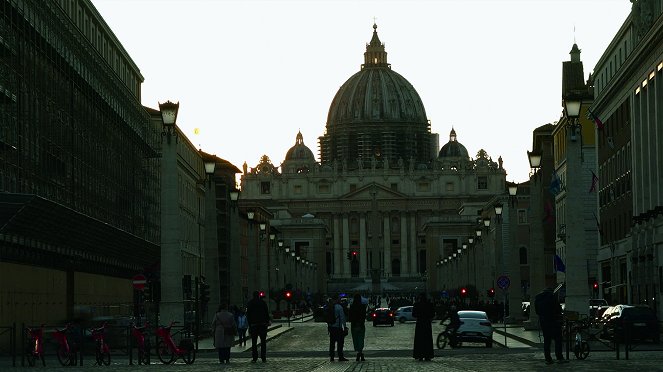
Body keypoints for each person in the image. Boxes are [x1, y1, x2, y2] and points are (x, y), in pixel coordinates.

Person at [534, 287, 567, 364]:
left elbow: (537, 311)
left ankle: (548, 359)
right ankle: (559, 357)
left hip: (544, 322)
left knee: (547, 341)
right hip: (554, 321)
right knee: (558, 339)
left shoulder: (538, 299)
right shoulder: (552, 297)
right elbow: (558, 309)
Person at [246, 291, 270, 363]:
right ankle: (263, 357)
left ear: (253, 295)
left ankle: (254, 357)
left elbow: (248, 315)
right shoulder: (263, 303)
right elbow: (266, 313)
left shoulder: (250, 303)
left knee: (254, 342)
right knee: (263, 342)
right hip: (262, 325)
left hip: (254, 325)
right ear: (259, 295)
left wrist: (249, 324)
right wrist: (266, 322)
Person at [412, 293, 434, 361]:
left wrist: (420, 315)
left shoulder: (417, 304)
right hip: (427, 324)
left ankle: (420, 355)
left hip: (420, 324)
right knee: (427, 340)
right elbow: (432, 314)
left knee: (420, 340)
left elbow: (414, 314)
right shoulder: (429, 304)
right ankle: (428, 355)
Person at [328, 297, 348, 361]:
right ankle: (340, 356)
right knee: (340, 342)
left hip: (331, 327)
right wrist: (344, 326)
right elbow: (342, 318)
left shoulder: (330, 306)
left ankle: (332, 356)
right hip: (338, 328)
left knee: (332, 342)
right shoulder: (339, 307)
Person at [348, 293, 367, 361]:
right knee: (361, 339)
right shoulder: (363, 306)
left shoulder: (352, 306)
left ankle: (359, 352)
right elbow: (364, 316)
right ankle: (360, 352)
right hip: (361, 325)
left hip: (354, 326)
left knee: (355, 339)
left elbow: (349, 317)